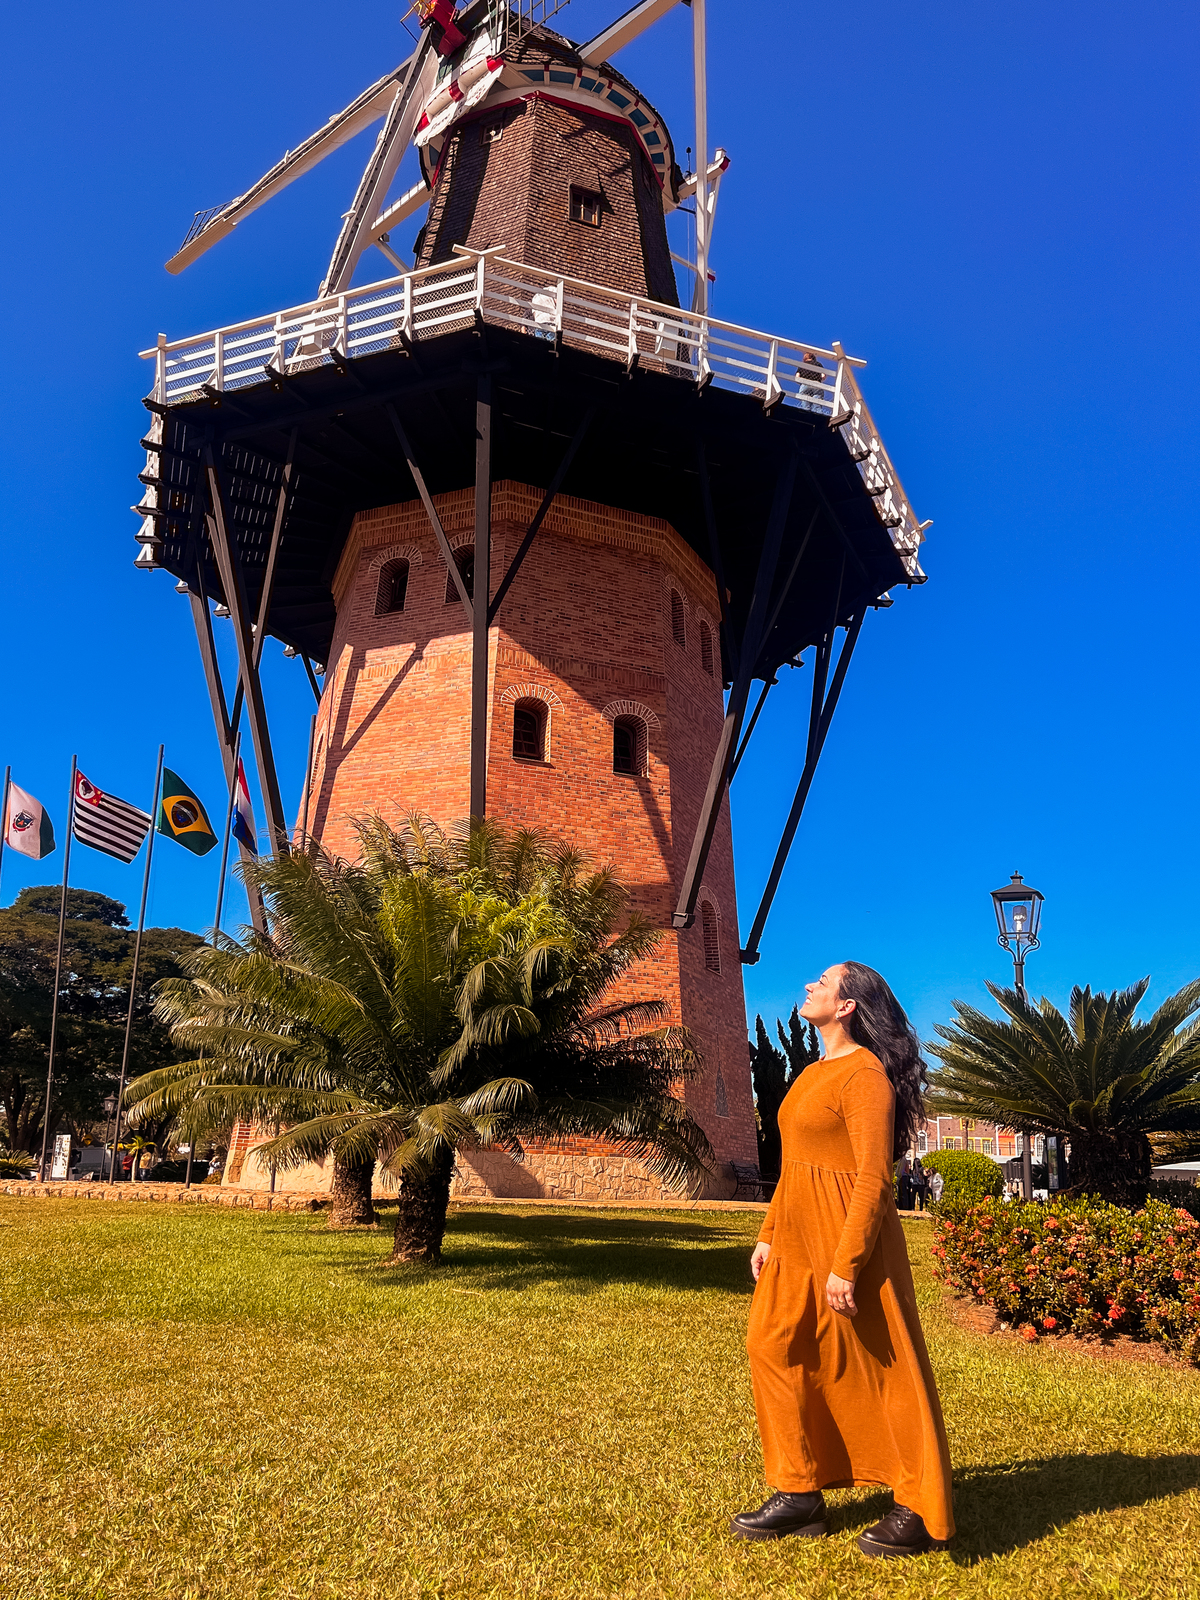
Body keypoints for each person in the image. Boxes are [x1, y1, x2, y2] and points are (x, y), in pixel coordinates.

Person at [733, 962, 955, 1558]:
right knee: (772, 1345)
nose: (810, 986)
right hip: (795, 1238)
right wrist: (769, 1233)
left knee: (886, 1367)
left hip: (849, 1239)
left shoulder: (865, 1077)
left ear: (848, 1006)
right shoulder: (811, 1074)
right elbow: (796, 1165)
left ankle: (918, 1504)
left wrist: (846, 1263)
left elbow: (874, 1179)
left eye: (824, 983)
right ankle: (798, 1490)